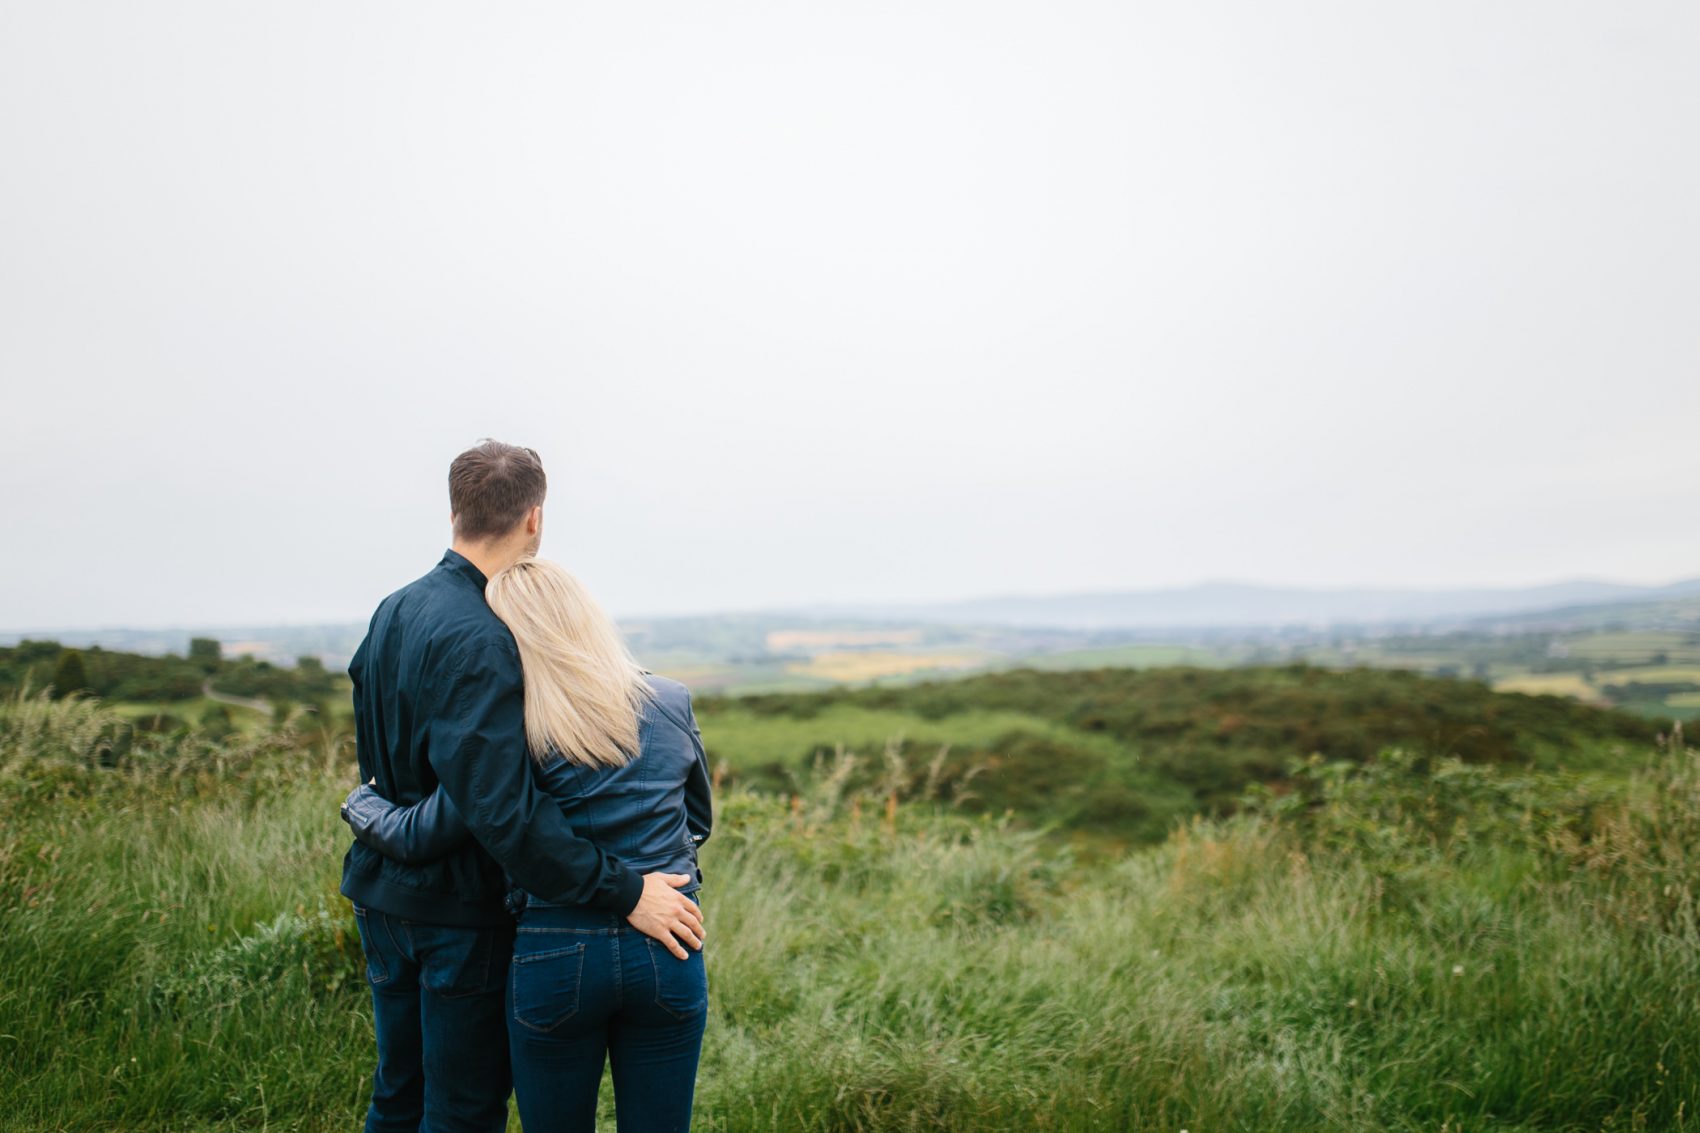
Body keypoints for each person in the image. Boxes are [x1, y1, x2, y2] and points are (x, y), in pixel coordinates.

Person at [340, 440, 704, 1133]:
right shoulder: (487, 633)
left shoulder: (394, 608)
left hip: (383, 899)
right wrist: (627, 890)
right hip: (459, 910)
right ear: (533, 517)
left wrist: (372, 813)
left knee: (398, 1094)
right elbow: (501, 807)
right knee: (462, 1109)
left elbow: (385, 748)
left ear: (455, 509)